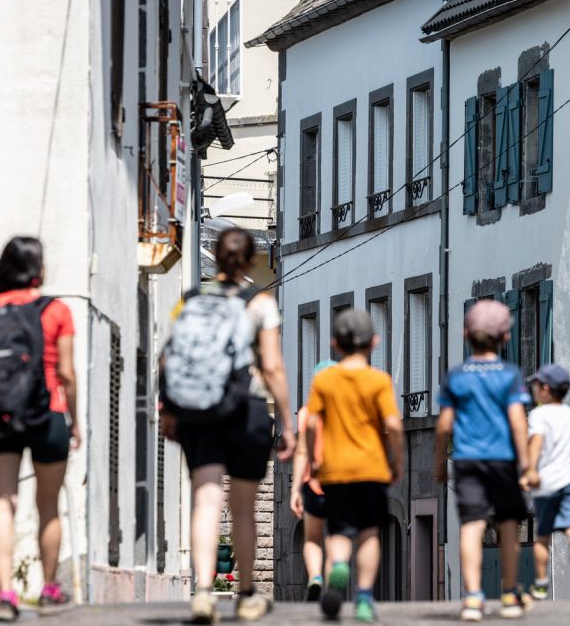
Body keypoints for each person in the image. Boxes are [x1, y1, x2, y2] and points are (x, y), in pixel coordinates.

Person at [160, 228, 296, 624]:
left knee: (205, 500)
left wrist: (170, 409)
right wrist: (287, 421)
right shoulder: (260, 303)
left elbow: (169, 357)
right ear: (251, 259)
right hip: (246, 410)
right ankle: (247, 592)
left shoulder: (189, 301)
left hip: (197, 412)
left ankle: (203, 592)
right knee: (243, 508)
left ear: (215, 259)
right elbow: (271, 366)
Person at [0, 236, 80, 622]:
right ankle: (48, 590)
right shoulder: (57, 310)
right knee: (47, 506)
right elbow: (66, 372)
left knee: (3, 501)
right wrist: (76, 419)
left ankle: (6, 594)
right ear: (38, 269)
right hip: (48, 412)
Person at [434, 299, 533, 622]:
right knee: (507, 524)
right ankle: (509, 593)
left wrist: (439, 463)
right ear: (505, 337)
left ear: (466, 334)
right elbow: (518, 422)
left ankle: (473, 597)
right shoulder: (509, 375)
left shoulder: (457, 376)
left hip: (467, 461)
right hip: (502, 461)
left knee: (472, 525)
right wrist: (527, 464)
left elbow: (444, 425)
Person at [306, 310, 404, 623]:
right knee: (369, 534)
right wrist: (396, 461)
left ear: (335, 343)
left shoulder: (325, 380)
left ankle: (337, 566)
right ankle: (363, 599)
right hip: (371, 468)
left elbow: (310, 422)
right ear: (374, 343)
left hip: (335, 470)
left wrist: (313, 459)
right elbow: (393, 425)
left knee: (339, 532)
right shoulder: (379, 381)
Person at [522, 363, 570, 600]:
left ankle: (542, 584)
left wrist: (530, 471)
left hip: (547, 484)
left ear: (545, 388)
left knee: (542, 537)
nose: (533, 388)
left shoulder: (538, 415)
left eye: (535, 385)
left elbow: (535, 443)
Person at [290, 359, 336, 602]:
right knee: (335, 539)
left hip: (314, 485)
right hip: (342, 483)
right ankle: (330, 588)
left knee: (312, 539)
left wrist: (296, 488)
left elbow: (302, 453)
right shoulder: (348, 413)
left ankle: (315, 577)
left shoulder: (307, 413)